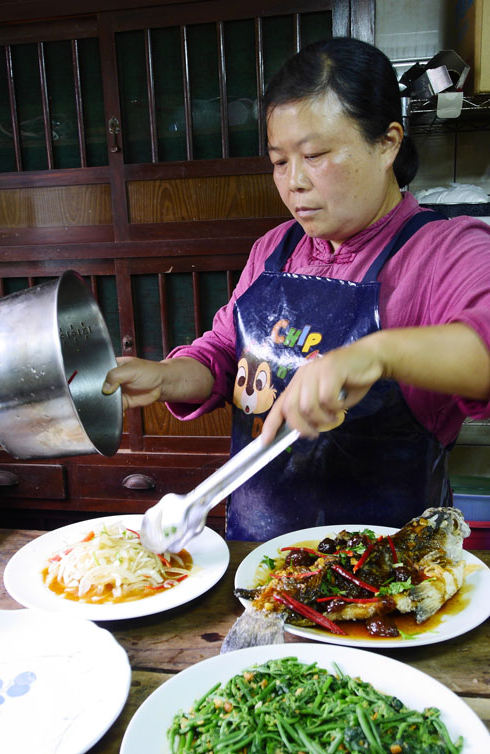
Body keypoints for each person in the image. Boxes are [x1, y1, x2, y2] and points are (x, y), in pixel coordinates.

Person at [103, 37, 490, 541]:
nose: (294, 183)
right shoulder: (274, 249)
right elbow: (226, 351)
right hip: (260, 557)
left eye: (315, 155)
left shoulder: (447, 250)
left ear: (388, 142)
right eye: (279, 161)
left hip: (388, 580)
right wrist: (166, 377)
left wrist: (374, 354)